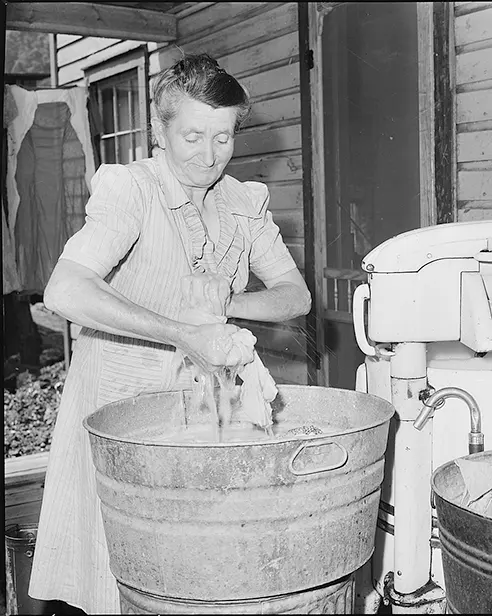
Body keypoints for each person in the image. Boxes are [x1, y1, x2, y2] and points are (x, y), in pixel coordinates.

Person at [28, 54, 312, 614]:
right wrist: (184, 331)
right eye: (192, 136)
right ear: (160, 130)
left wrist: (227, 301)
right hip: (121, 406)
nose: (208, 157)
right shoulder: (131, 191)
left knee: (196, 567)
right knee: (117, 566)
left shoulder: (241, 202)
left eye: (224, 138)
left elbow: (295, 295)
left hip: (205, 407)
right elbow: (65, 291)